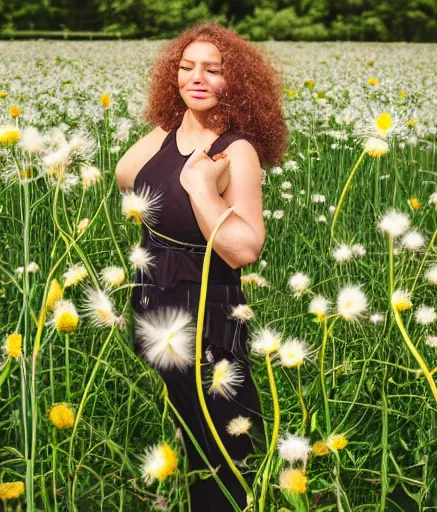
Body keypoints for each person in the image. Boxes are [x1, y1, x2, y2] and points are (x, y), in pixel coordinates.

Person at [115, 22, 288, 511]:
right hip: (154, 298)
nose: (196, 77)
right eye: (186, 67)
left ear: (236, 83)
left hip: (205, 306)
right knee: (183, 433)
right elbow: (127, 176)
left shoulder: (235, 151)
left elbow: (244, 248)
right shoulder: (164, 134)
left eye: (212, 70)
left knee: (221, 436)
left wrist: (199, 189)